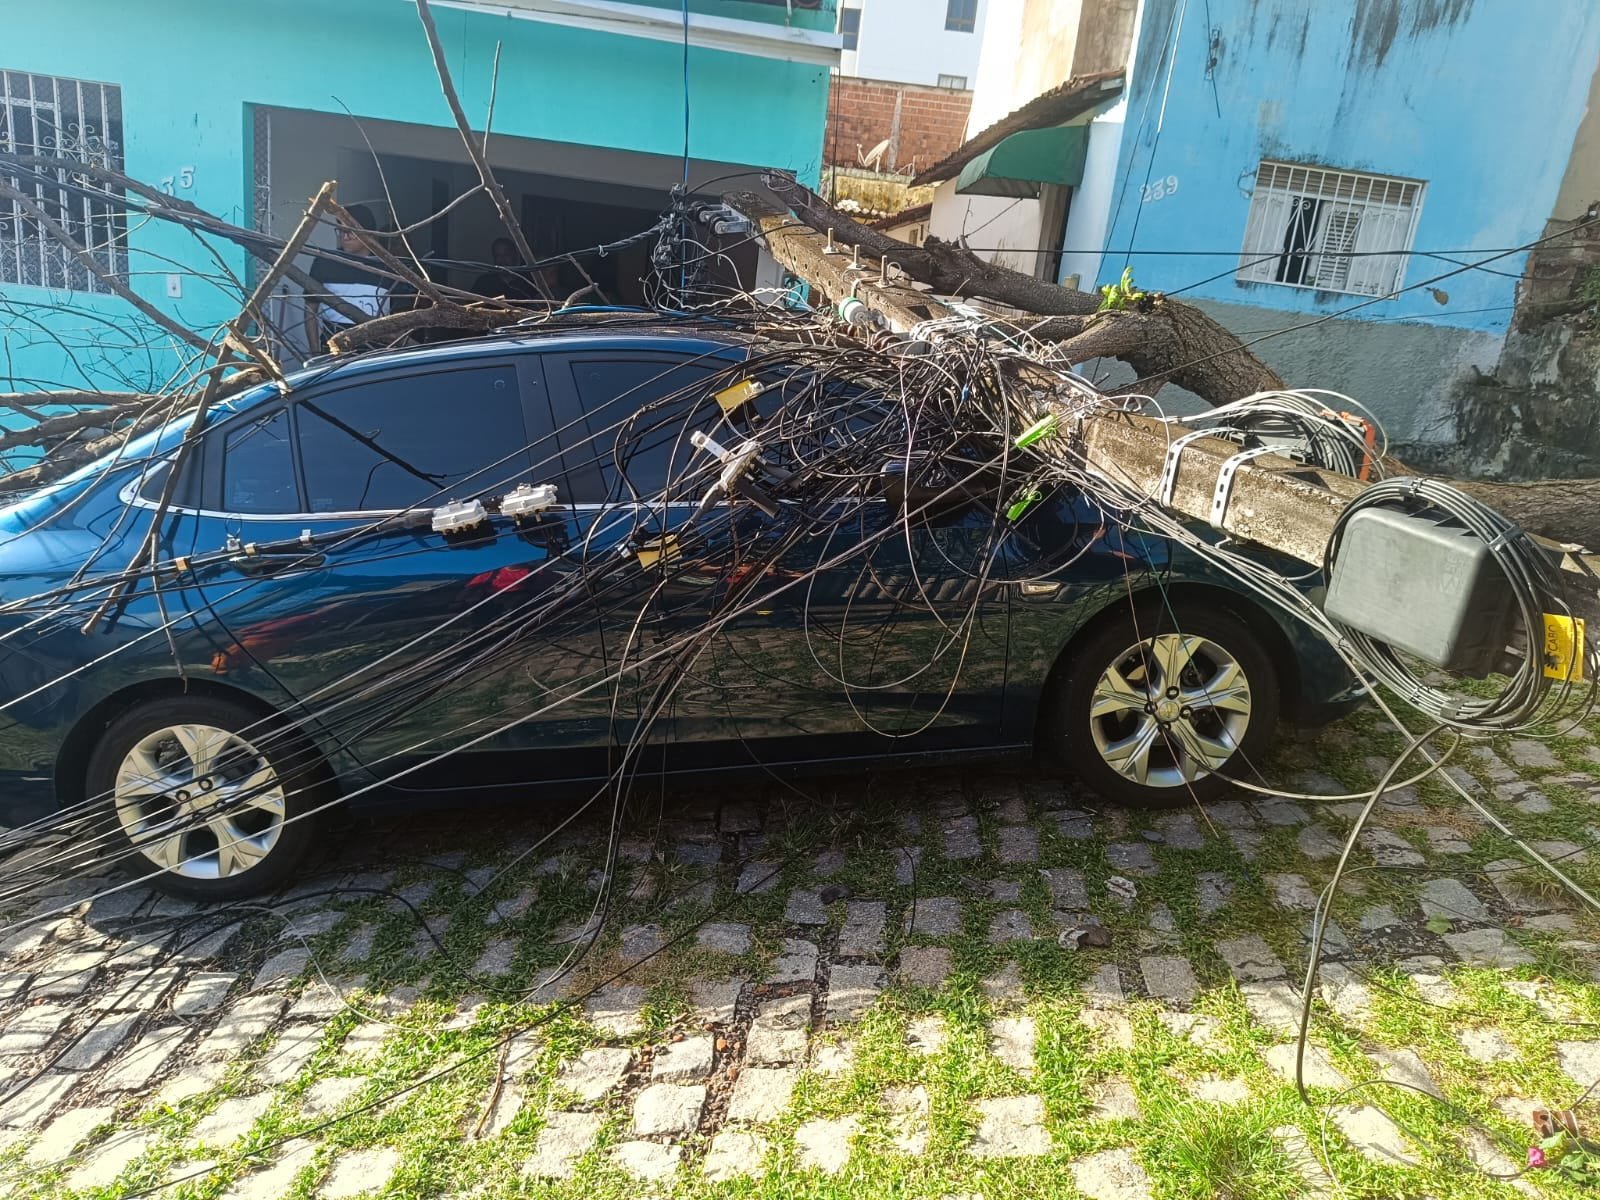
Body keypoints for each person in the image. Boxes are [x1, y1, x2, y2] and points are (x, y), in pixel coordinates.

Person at [304, 205, 391, 353]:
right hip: (334, 350)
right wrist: (315, 351)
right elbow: (310, 309)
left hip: (377, 351)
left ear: (367, 232)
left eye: (350, 231)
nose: (345, 237)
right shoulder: (325, 262)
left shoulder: (387, 267)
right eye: (341, 231)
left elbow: (402, 314)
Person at [473, 237, 548, 303]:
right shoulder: (484, 282)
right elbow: (470, 307)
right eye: (498, 256)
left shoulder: (528, 282)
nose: (502, 259)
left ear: (515, 256)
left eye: (506, 255)